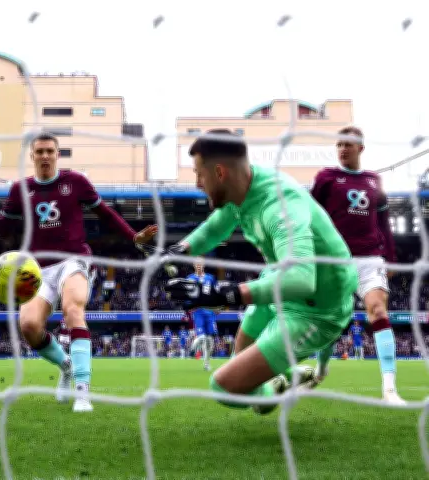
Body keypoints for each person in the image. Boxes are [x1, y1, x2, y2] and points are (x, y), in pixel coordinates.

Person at [154, 129, 355, 414]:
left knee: (224, 388)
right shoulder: (243, 189)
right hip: (278, 287)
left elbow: (301, 278)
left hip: (317, 309)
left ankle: (274, 387)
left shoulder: (281, 204)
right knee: (243, 360)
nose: (198, 183)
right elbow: (216, 226)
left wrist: (224, 294)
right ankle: (279, 383)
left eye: (199, 174)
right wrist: (178, 251)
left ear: (220, 172)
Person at [0, 133, 158, 412]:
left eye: (50, 151)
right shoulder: (19, 190)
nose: (45, 156)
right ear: (32, 156)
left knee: (74, 310)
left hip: (74, 260)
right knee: (29, 327)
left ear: (57, 155)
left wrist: (133, 237)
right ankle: (66, 365)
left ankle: (83, 393)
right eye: (40, 152)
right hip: (37, 269)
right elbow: (3, 229)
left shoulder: (76, 182)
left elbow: (106, 214)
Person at [311, 126, 404, 404]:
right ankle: (321, 369)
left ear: (360, 148)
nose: (342, 149)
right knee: (331, 322)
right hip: (336, 259)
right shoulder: (326, 178)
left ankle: (389, 388)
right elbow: (312, 215)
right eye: (338, 145)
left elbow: (385, 224)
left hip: (369, 258)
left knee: (377, 310)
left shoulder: (374, 181)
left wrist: (390, 257)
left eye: (347, 145)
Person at [186, 261, 218, 371]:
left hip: (210, 311)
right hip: (198, 311)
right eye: (197, 264)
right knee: (202, 337)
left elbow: (216, 293)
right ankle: (192, 349)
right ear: (194, 266)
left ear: (203, 265)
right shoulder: (190, 278)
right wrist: (189, 306)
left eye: (200, 264)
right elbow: (187, 294)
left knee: (209, 340)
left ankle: (206, 364)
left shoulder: (211, 278)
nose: (199, 266)